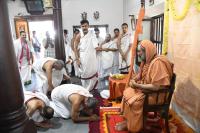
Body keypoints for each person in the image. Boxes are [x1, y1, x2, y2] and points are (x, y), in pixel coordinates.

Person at [115, 40, 173, 132]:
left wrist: (138, 85)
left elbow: (157, 87)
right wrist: (134, 80)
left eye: (140, 51)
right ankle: (130, 121)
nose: (138, 54)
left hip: (155, 95)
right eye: (138, 51)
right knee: (128, 91)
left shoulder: (158, 63)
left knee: (134, 102)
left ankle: (136, 126)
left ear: (148, 51)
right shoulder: (148, 60)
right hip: (149, 92)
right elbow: (142, 74)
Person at [74, 20, 101, 91]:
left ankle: (93, 90)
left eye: (86, 26)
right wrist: (77, 59)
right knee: (84, 75)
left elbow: (96, 46)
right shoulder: (78, 36)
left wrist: (103, 48)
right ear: (81, 27)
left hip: (92, 58)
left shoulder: (92, 34)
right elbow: (75, 48)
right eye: (83, 26)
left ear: (88, 26)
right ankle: (85, 91)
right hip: (83, 59)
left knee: (93, 73)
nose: (84, 27)